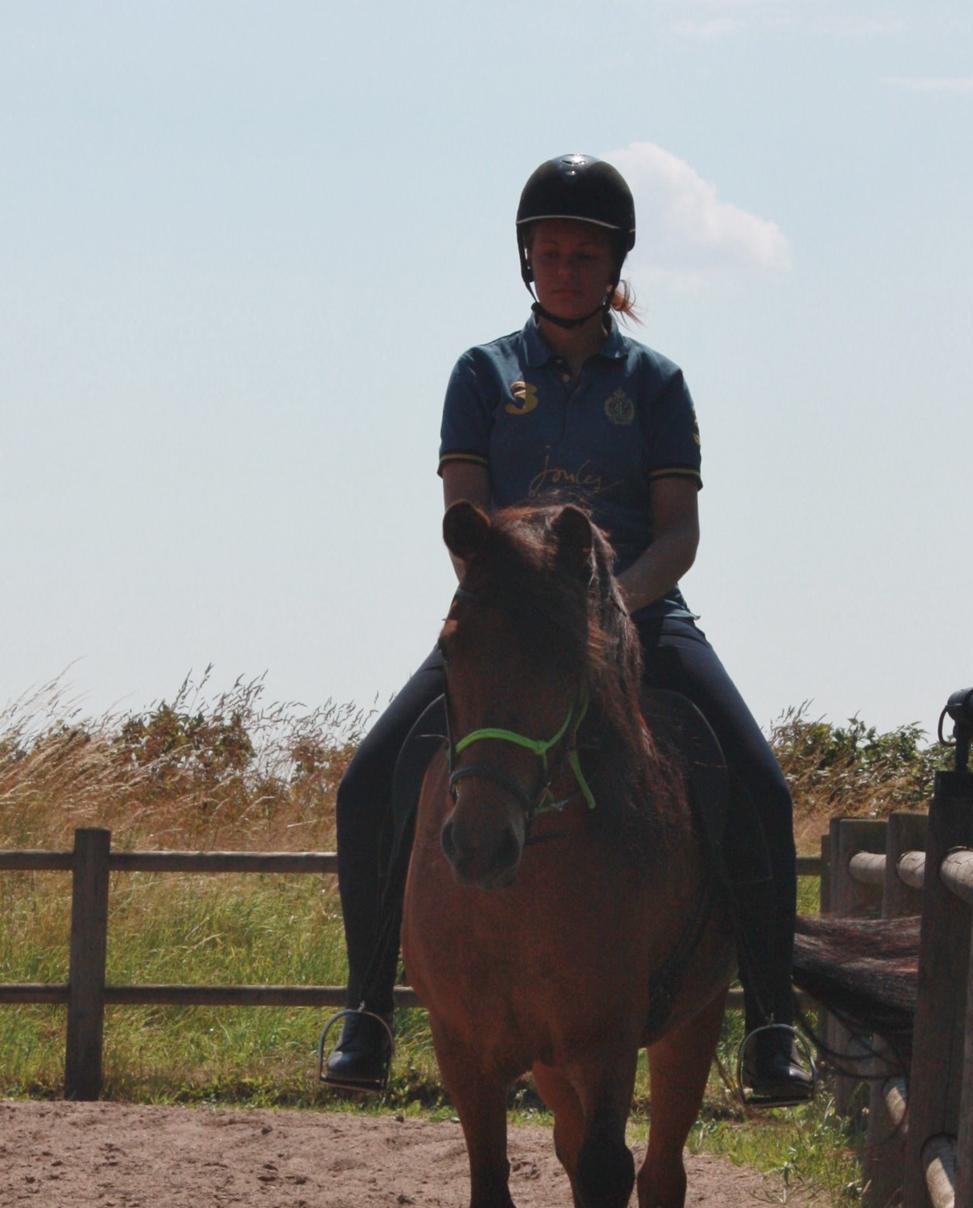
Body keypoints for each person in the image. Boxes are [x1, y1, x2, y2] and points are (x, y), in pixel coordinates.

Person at [325, 152, 812, 1107]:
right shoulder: (481, 374)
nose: (566, 268)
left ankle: (770, 1025)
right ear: (526, 260)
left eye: (585, 254)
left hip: (636, 612)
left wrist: (607, 610)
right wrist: (529, 615)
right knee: (370, 780)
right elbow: (465, 516)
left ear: (615, 265)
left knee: (757, 781)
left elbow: (678, 532)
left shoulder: (659, 383)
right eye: (549, 252)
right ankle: (367, 1012)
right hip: (508, 623)